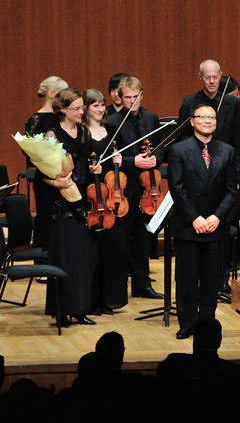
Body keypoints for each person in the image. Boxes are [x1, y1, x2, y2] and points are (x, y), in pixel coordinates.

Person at [168, 104, 237, 339]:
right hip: (189, 224)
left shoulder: (227, 151)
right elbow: (177, 189)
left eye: (212, 117)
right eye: (203, 117)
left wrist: (217, 217)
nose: (208, 121)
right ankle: (186, 323)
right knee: (186, 279)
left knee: (211, 280)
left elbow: (231, 191)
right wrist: (195, 218)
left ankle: (207, 323)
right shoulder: (179, 150)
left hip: (215, 224)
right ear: (192, 121)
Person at [40, 88, 98, 326]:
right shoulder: (51, 134)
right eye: (76, 108)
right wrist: (55, 181)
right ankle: (62, 310)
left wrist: (94, 168)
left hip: (83, 202)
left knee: (84, 257)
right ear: (62, 109)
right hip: (60, 205)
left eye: (82, 108)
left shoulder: (83, 132)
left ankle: (80, 308)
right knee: (65, 258)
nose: (81, 112)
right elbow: (40, 173)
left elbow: (85, 163)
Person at [106, 76, 164, 299]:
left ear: (142, 94)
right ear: (120, 98)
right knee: (124, 236)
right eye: (128, 97)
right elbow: (112, 157)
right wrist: (134, 162)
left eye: (136, 96)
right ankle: (119, 287)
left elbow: (162, 148)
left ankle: (142, 284)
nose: (132, 101)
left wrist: (155, 159)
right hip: (125, 187)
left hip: (149, 188)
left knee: (143, 237)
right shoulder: (113, 122)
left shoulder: (151, 118)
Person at [82, 88, 128, 315]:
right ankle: (92, 300)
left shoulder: (112, 131)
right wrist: (91, 169)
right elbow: (78, 164)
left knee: (113, 254)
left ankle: (109, 300)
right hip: (92, 200)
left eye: (102, 104)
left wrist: (119, 161)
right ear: (86, 108)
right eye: (95, 105)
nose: (100, 109)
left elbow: (118, 169)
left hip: (111, 202)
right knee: (92, 255)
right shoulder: (81, 134)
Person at [178, 59, 240, 184]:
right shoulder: (189, 102)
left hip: (226, 168)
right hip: (196, 169)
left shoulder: (234, 104)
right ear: (200, 77)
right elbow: (182, 136)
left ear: (221, 75)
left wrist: (236, 174)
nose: (211, 82)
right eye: (207, 77)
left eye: (215, 77)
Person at [25, 76, 68, 251]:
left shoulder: (63, 116)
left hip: (64, 177)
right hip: (45, 179)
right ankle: (42, 262)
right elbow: (30, 153)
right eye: (62, 93)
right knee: (46, 220)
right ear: (51, 94)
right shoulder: (37, 119)